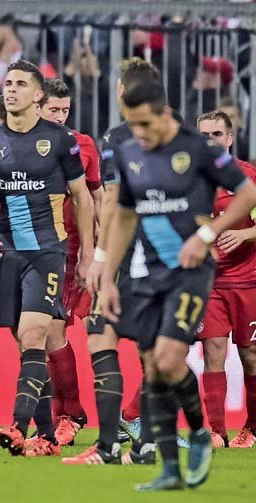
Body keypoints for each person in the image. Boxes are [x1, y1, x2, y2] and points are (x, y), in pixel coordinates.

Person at [97, 77, 256, 491]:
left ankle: (201, 434)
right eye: (132, 126)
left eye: (146, 124)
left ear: (165, 113)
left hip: (191, 271)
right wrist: (108, 277)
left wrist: (207, 235)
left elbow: (244, 194)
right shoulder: (132, 153)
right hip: (145, 272)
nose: (139, 135)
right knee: (153, 366)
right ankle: (170, 468)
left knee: (170, 359)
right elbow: (125, 217)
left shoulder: (200, 150)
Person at [0, 60, 94, 458]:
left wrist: (89, 254)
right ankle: (43, 436)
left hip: (48, 251)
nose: (11, 90)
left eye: (21, 84)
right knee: (26, 346)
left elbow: (83, 196)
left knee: (34, 335)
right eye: (8, 83)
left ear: (38, 95)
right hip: (10, 252)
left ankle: (17, 425)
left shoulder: (60, 140)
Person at [81, 57, 179, 467]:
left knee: (103, 332)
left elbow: (116, 204)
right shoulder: (184, 135)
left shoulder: (117, 136)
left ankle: (108, 446)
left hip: (136, 256)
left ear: (122, 91)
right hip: (169, 257)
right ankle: (147, 444)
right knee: (144, 348)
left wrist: (102, 257)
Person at [29, 78, 102, 449]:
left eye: (65, 111)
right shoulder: (21, 144)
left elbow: (97, 196)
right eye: (53, 110)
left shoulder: (83, 145)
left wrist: (98, 253)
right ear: (38, 107)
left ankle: (70, 417)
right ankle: (63, 417)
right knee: (44, 337)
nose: (60, 117)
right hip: (39, 252)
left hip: (75, 254)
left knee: (71, 334)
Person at [197, 110, 256, 449]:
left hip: (247, 280)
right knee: (213, 351)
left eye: (216, 134)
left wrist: (242, 236)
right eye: (204, 134)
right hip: (210, 281)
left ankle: (253, 426)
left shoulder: (249, 177)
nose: (209, 140)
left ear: (229, 138)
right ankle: (216, 431)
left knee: (250, 356)